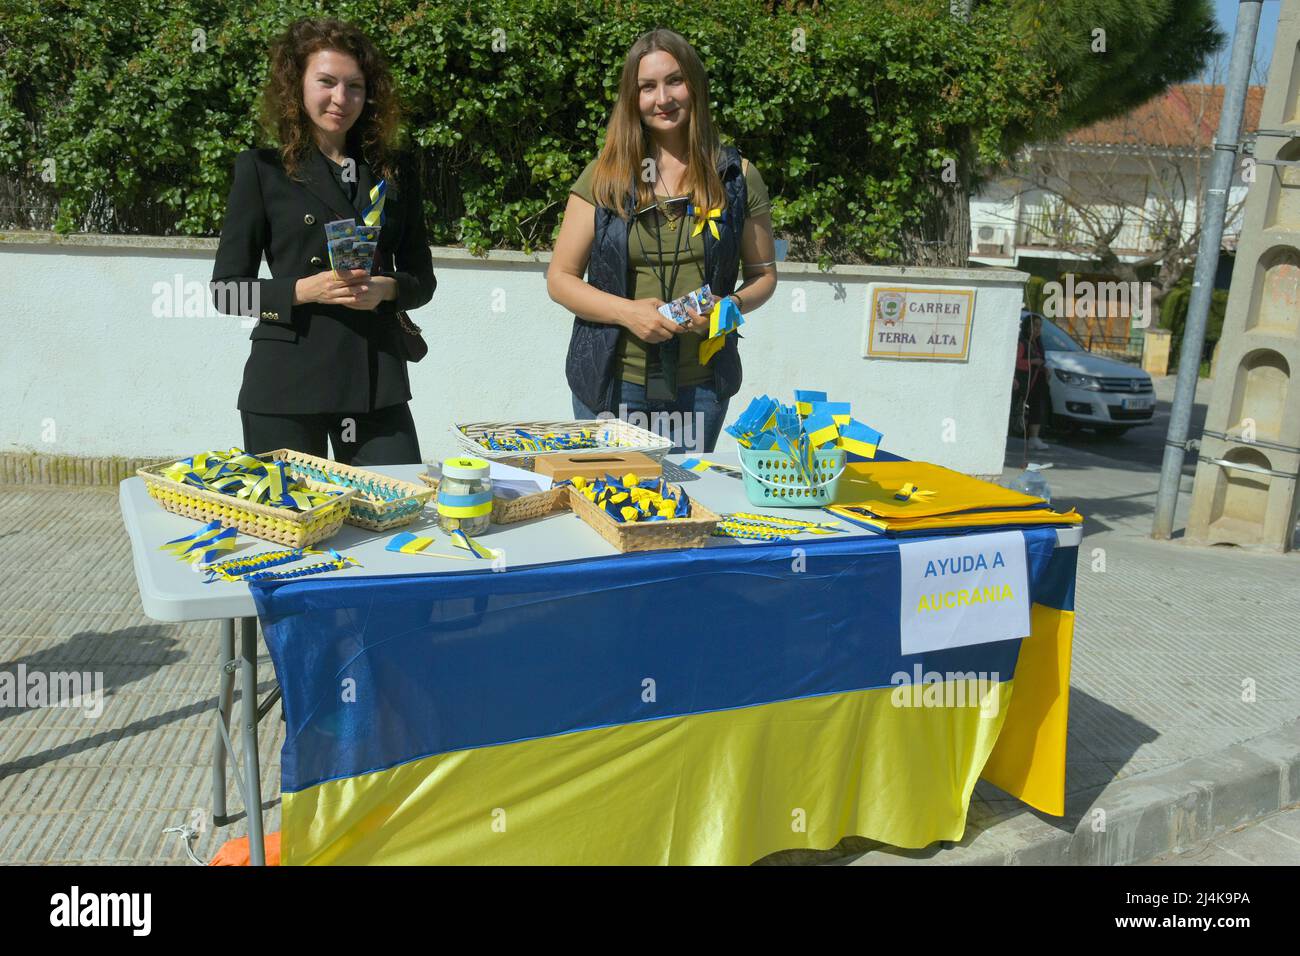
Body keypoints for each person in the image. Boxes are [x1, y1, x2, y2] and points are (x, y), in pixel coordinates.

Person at [210, 17, 435, 465]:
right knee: (289, 524)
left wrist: (385, 289)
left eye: (354, 86)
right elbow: (226, 291)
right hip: (287, 382)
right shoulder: (262, 169)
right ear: (297, 85)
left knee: (394, 510)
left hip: (376, 380)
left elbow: (422, 281)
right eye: (326, 82)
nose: (340, 98)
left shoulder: (394, 170)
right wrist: (304, 290)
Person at [547, 28, 778, 453]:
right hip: (613, 384)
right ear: (631, 98)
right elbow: (560, 278)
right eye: (647, 87)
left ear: (694, 85)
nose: (662, 98)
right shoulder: (603, 176)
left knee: (683, 504)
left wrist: (729, 308)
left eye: (675, 81)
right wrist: (627, 313)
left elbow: (763, 275)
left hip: (701, 386)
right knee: (611, 501)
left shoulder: (737, 176)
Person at [1014, 312, 1051, 451]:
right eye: (1035, 325)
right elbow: (1017, 363)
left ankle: (1034, 438)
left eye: (1040, 326)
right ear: (1027, 326)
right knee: (1018, 409)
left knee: (1038, 408)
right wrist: (1033, 362)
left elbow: (1041, 360)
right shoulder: (1022, 342)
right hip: (1023, 381)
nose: (1037, 329)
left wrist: (1045, 368)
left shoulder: (1037, 343)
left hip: (1038, 380)